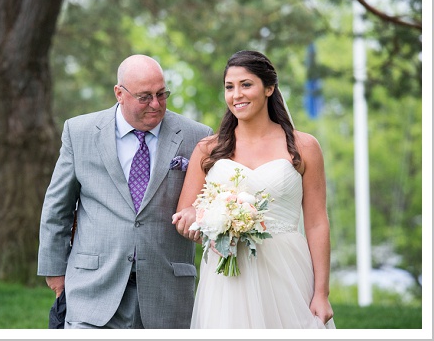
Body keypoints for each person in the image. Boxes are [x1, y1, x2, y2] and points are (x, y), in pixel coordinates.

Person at [37, 54, 213, 328]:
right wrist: (54, 270)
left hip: (166, 291)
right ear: (119, 93)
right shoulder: (79, 131)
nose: (155, 104)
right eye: (144, 97)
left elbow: (209, 204)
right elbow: (58, 207)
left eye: (161, 94)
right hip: (92, 288)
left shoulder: (197, 136)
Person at [171, 50, 335, 328]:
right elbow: (185, 216)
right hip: (227, 278)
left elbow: (317, 223)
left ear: (269, 88)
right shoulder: (208, 150)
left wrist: (321, 293)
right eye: (229, 87)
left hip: (287, 270)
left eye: (246, 84)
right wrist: (209, 223)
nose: (237, 95)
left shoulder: (305, 147)